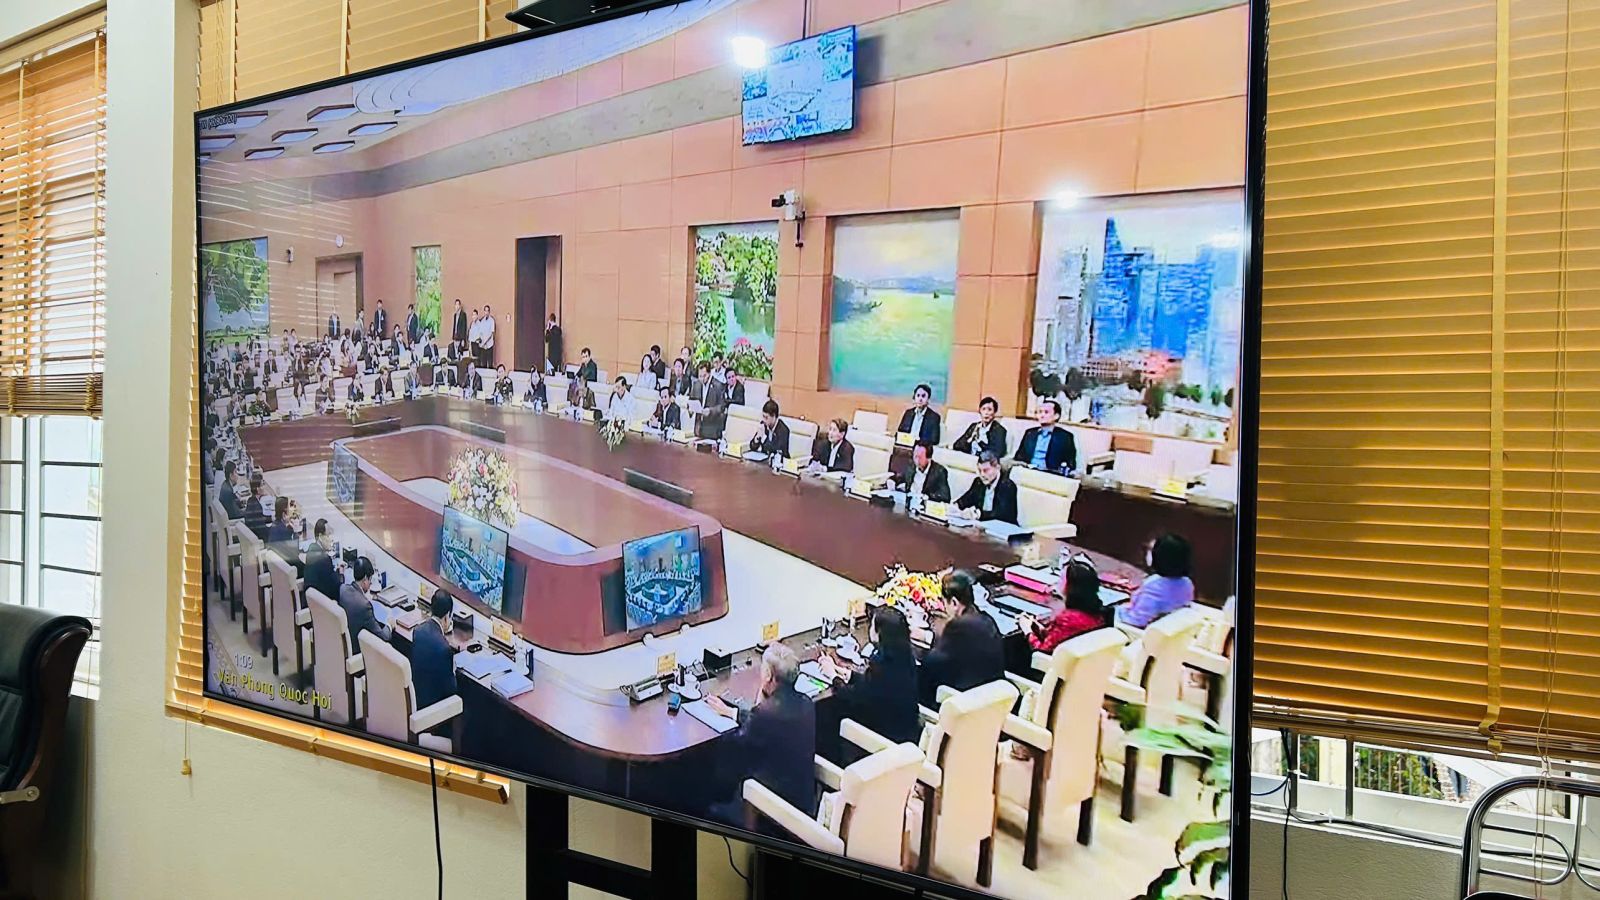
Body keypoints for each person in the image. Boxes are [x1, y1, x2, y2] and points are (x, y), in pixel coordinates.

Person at [704, 643, 816, 826]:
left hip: (769, 807)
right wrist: (732, 712)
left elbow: (735, 748)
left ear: (769, 677)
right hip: (803, 800)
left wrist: (759, 703)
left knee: (708, 795)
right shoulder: (807, 703)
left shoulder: (765, 715)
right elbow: (766, 724)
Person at [817, 605, 919, 762]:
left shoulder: (881, 663)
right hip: (905, 731)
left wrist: (832, 676)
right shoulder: (905, 655)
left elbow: (854, 696)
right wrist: (848, 674)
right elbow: (874, 687)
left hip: (883, 737)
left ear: (879, 633)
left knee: (828, 710)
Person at [918, 570, 1005, 707]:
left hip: (967, 705)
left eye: (944, 603)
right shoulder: (987, 620)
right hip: (993, 702)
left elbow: (934, 662)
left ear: (954, 602)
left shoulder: (957, 627)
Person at [1019, 560, 1106, 653]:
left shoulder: (1067, 619)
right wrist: (1039, 630)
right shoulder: (1096, 612)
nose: (1057, 582)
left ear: (1071, 587)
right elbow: (1061, 637)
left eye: (1061, 579)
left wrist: (1028, 631)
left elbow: (1042, 650)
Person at [1119, 533, 1196, 628]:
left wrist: (1119, 610)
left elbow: (1137, 621)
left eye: (1151, 550)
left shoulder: (1154, 586)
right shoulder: (1187, 582)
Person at [411, 589, 459, 712]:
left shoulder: (418, 631)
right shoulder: (444, 649)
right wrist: (453, 670)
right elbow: (451, 690)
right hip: (433, 708)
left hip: (416, 697)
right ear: (447, 616)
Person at [338, 556, 392, 646]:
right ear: (365, 579)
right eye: (370, 579)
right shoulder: (364, 606)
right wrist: (389, 625)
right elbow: (383, 637)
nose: (371, 583)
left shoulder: (342, 589)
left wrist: (341, 574)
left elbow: (341, 584)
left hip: (342, 644)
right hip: (357, 649)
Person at [1013, 399, 1075, 475]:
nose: (1042, 415)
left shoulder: (1065, 437)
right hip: (1027, 471)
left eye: (1046, 412)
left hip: (1049, 474)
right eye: (1040, 412)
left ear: (1056, 416)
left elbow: (1070, 463)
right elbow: (1019, 457)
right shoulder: (1030, 433)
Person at [954, 451, 1019, 524]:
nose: (982, 474)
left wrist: (979, 514)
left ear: (997, 468)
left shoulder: (1008, 486)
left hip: (1002, 528)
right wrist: (955, 506)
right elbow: (965, 500)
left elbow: (1002, 514)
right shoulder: (978, 482)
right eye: (979, 470)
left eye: (986, 470)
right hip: (981, 526)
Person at [690, 361, 728, 440]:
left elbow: (722, 407)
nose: (702, 379)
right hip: (698, 427)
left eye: (704, 376)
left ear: (709, 373)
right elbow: (691, 399)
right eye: (700, 376)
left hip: (712, 428)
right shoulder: (696, 384)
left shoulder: (718, 386)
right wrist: (690, 408)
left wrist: (710, 411)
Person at [243, 474, 272, 540]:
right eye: (262, 485)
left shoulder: (250, 500)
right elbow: (264, 533)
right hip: (261, 540)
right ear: (258, 489)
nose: (265, 487)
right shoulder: (256, 509)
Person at [479, 304, 496, 368]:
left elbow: (491, 333)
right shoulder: (482, 321)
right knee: (483, 362)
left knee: (490, 362)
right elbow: (481, 332)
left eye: (487, 311)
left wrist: (485, 342)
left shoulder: (492, 320)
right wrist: (482, 342)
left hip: (489, 345)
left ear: (489, 312)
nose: (486, 312)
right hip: (483, 345)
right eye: (485, 311)